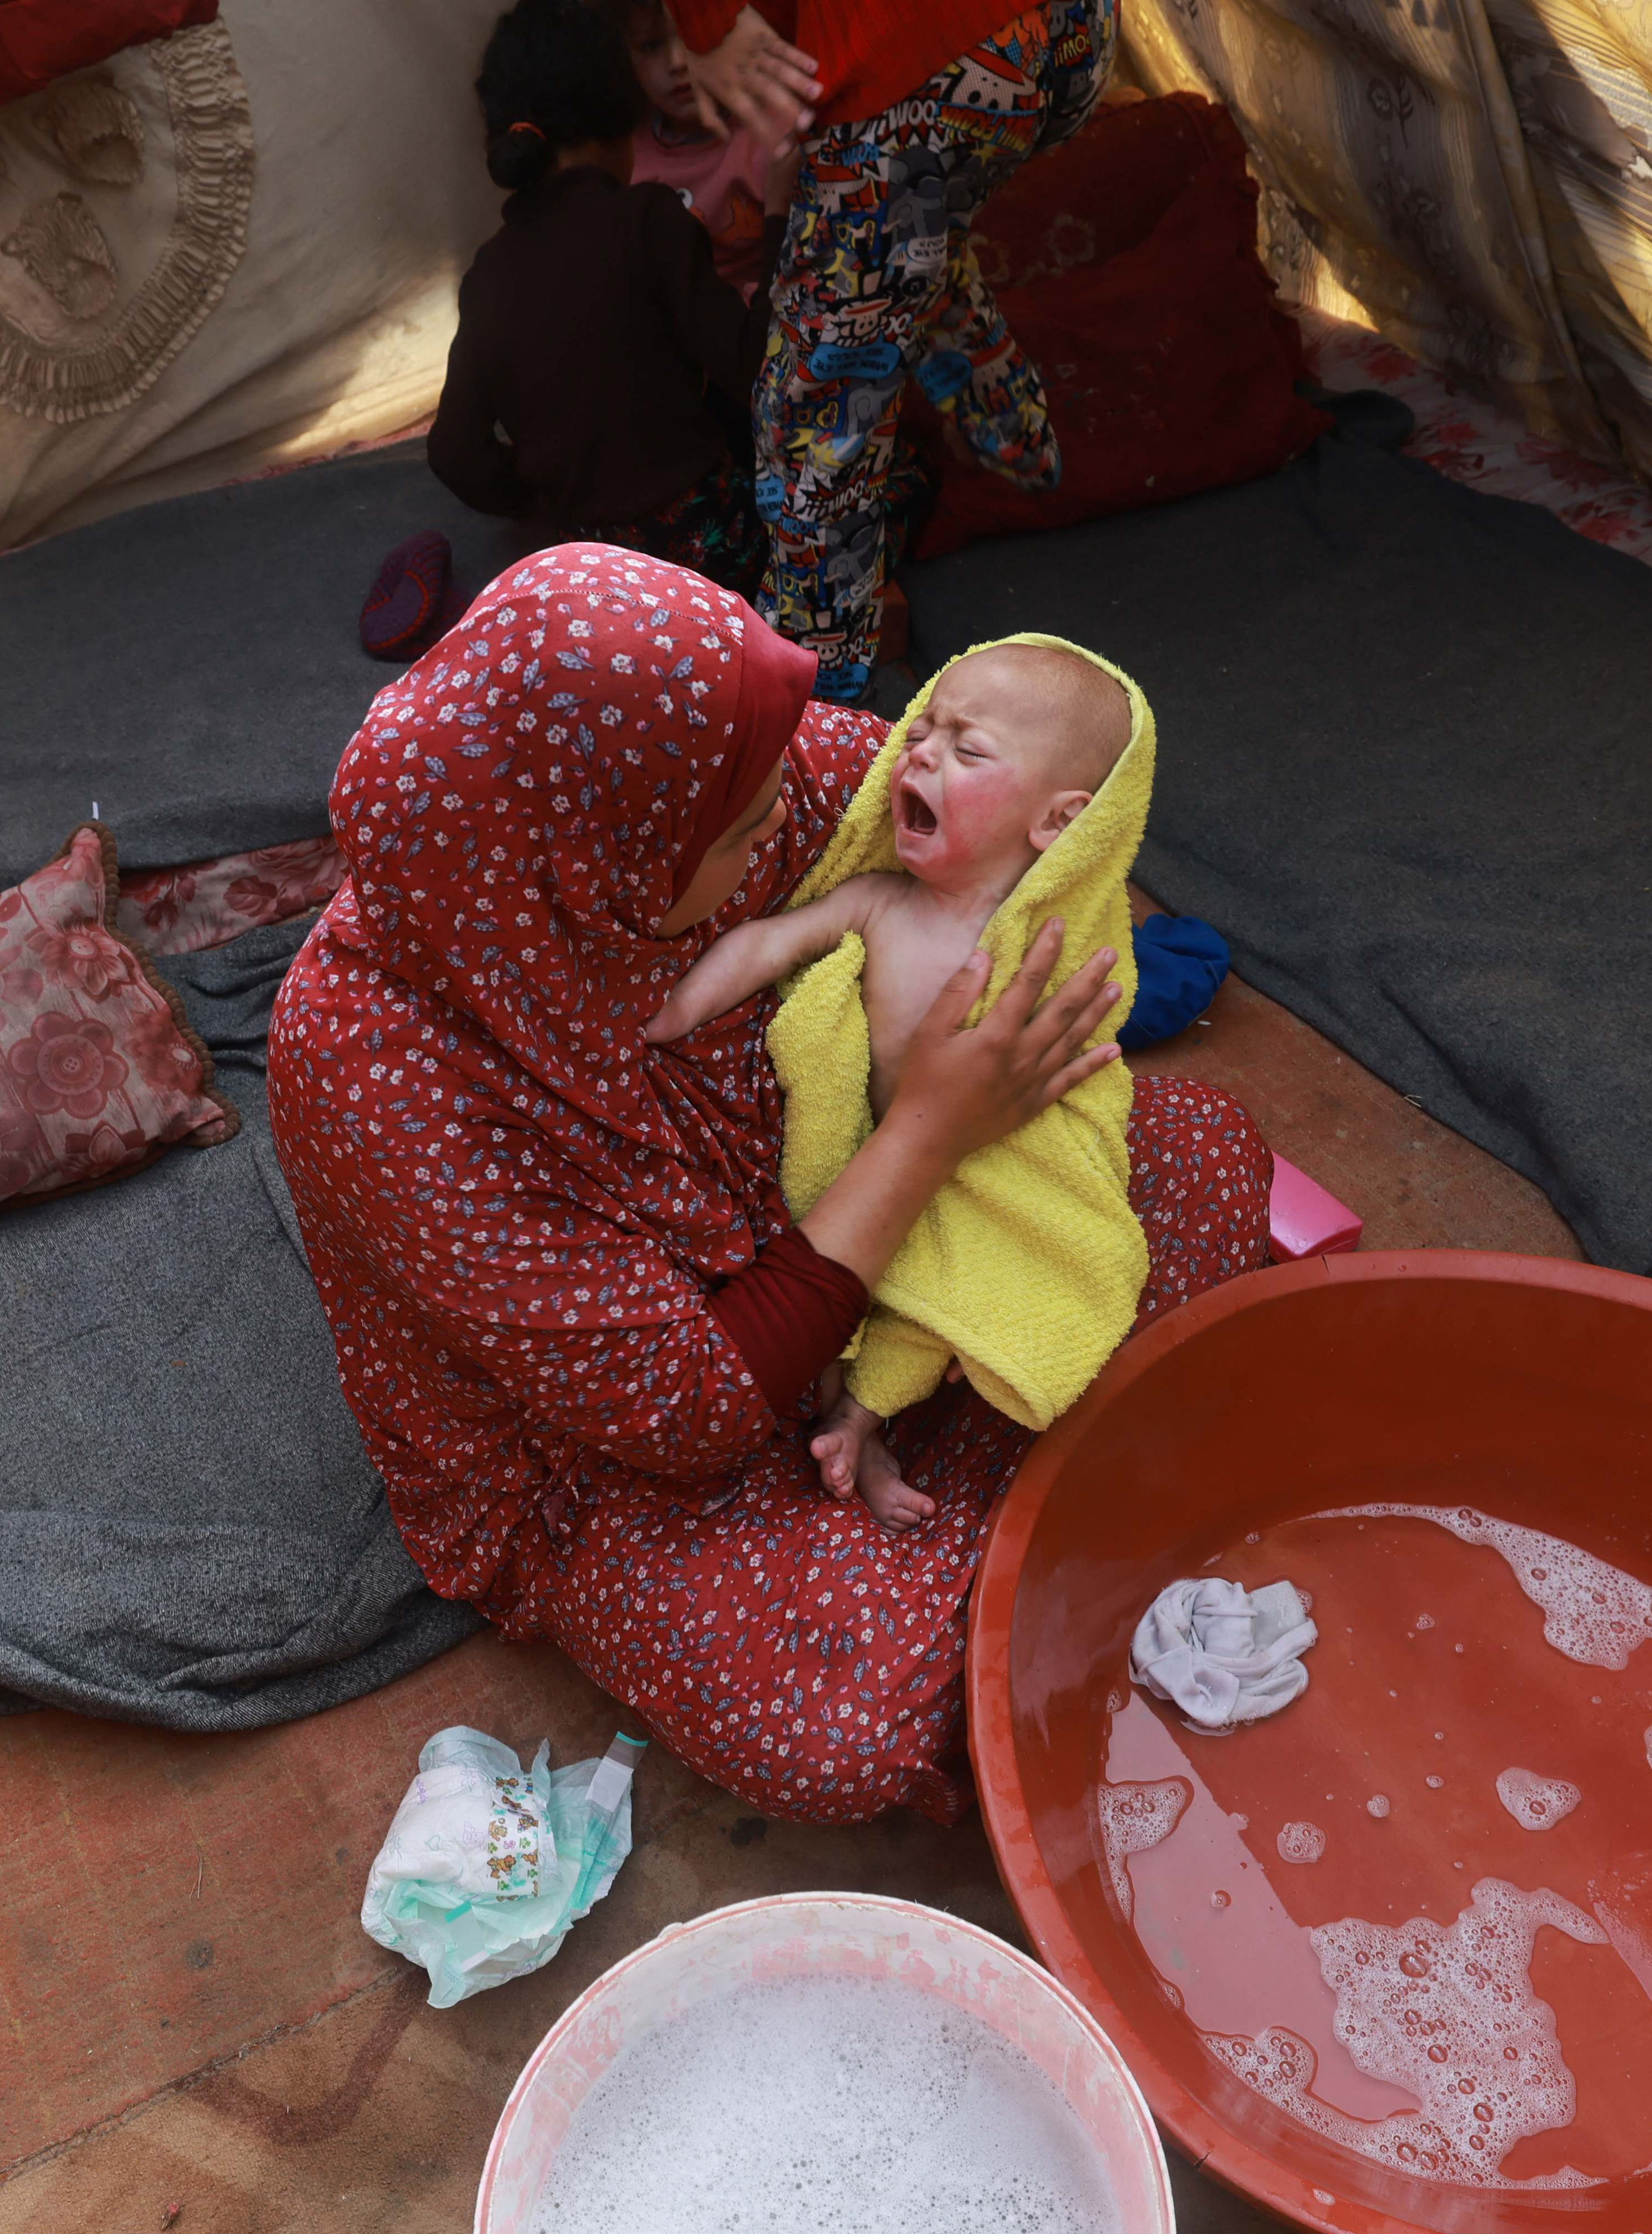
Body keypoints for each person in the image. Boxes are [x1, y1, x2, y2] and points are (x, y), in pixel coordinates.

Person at [266, 547, 1274, 1824]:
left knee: (1201, 1155)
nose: (781, 830)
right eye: (736, 834)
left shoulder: (750, 778)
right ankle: (1029, 1499)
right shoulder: (374, 1066)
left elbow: (1043, 853)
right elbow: (680, 1410)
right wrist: (926, 1135)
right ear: (603, 859)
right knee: (834, 1733)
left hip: (861, 1239)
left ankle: (966, 1517)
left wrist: (1011, 985)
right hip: (628, 1444)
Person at [645, 639, 1143, 1530]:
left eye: (967, 748)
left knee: (943, 1308)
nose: (918, 752)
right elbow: (767, 945)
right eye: (922, 730)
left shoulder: (1043, 951)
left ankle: (865, 1420)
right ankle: (848, 1421)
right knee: (825, 1293)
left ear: (1059, 825)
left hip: (982, 1174)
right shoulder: (879, 900)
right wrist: (667, 1013)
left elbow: (1081, 1064)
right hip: (871, 1163)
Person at [662, 2, 1118, 703]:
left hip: (916, 57)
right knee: (909, 233)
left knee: (812, 418)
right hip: (1061, 33)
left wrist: (707, 25)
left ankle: (809, 723)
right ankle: (1009, 425)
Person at [425, 0, 785, 595]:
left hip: (591, 573)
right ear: (624, 117)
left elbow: (454, 454)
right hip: (711, 551)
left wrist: (541, 496)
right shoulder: (647, 219)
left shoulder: (486, 272)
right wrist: (777, 221)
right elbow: (757, 369)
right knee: (903, 476)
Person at [623, 1, 778, 299]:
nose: (677, 61)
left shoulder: (768, 130)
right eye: (651, 46)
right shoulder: (622, 149)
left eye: (692, 32)